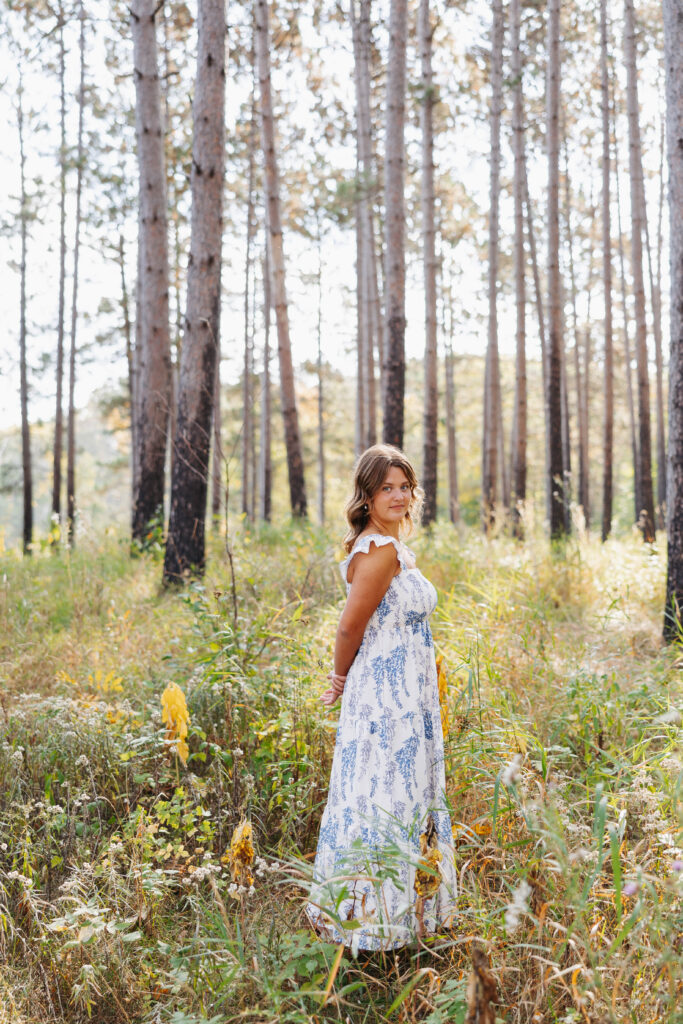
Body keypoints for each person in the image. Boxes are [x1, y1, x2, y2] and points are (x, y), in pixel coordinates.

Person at [306, 444, 457, 952]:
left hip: (402, 696)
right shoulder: (381, 551)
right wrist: (337, 679)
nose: (398, 496)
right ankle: (376, 925)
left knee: (383, 795)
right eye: (385, 488)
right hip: (387, 702)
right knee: (389, 798)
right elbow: (349, 627)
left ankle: (389, 917)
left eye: (404, 487)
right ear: (367, 497)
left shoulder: (388, 547)